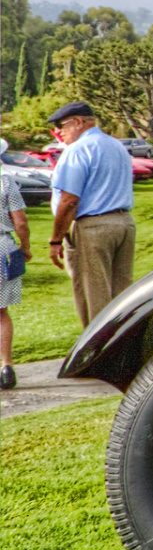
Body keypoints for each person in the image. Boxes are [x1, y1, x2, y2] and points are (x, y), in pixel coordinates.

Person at [45, 102, 136, 328]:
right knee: (121, 293)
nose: (60, 133)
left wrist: (56, 239)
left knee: (93, 295)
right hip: (124, 222)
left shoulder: (78, 150)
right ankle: (123, 346)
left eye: (62, 126)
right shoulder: (116, 146)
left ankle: (98, 353)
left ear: (78, 122)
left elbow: (69, 201)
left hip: (94, 226)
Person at [1, 144, 30, 391]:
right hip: (3, 246)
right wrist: (26, 246)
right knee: (1, 312)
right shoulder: (6, 181)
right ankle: (6, 365)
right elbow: (20, 220)